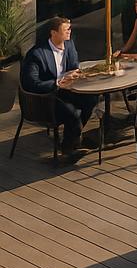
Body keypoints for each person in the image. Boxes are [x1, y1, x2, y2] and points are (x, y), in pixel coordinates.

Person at [20, 16, 98, 160]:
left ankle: (73, 138)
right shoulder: (37, 54)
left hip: (66, 90)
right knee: (72, 113)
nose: (69, 31)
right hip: (44, 98)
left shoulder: (69, 44)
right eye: (65, 29)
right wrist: (57, 82)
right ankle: (69, 147)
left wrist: (73, 75)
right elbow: (31, 84)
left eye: (70, 28)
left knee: (92, 99)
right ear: (53, 33)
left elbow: (74, 65)